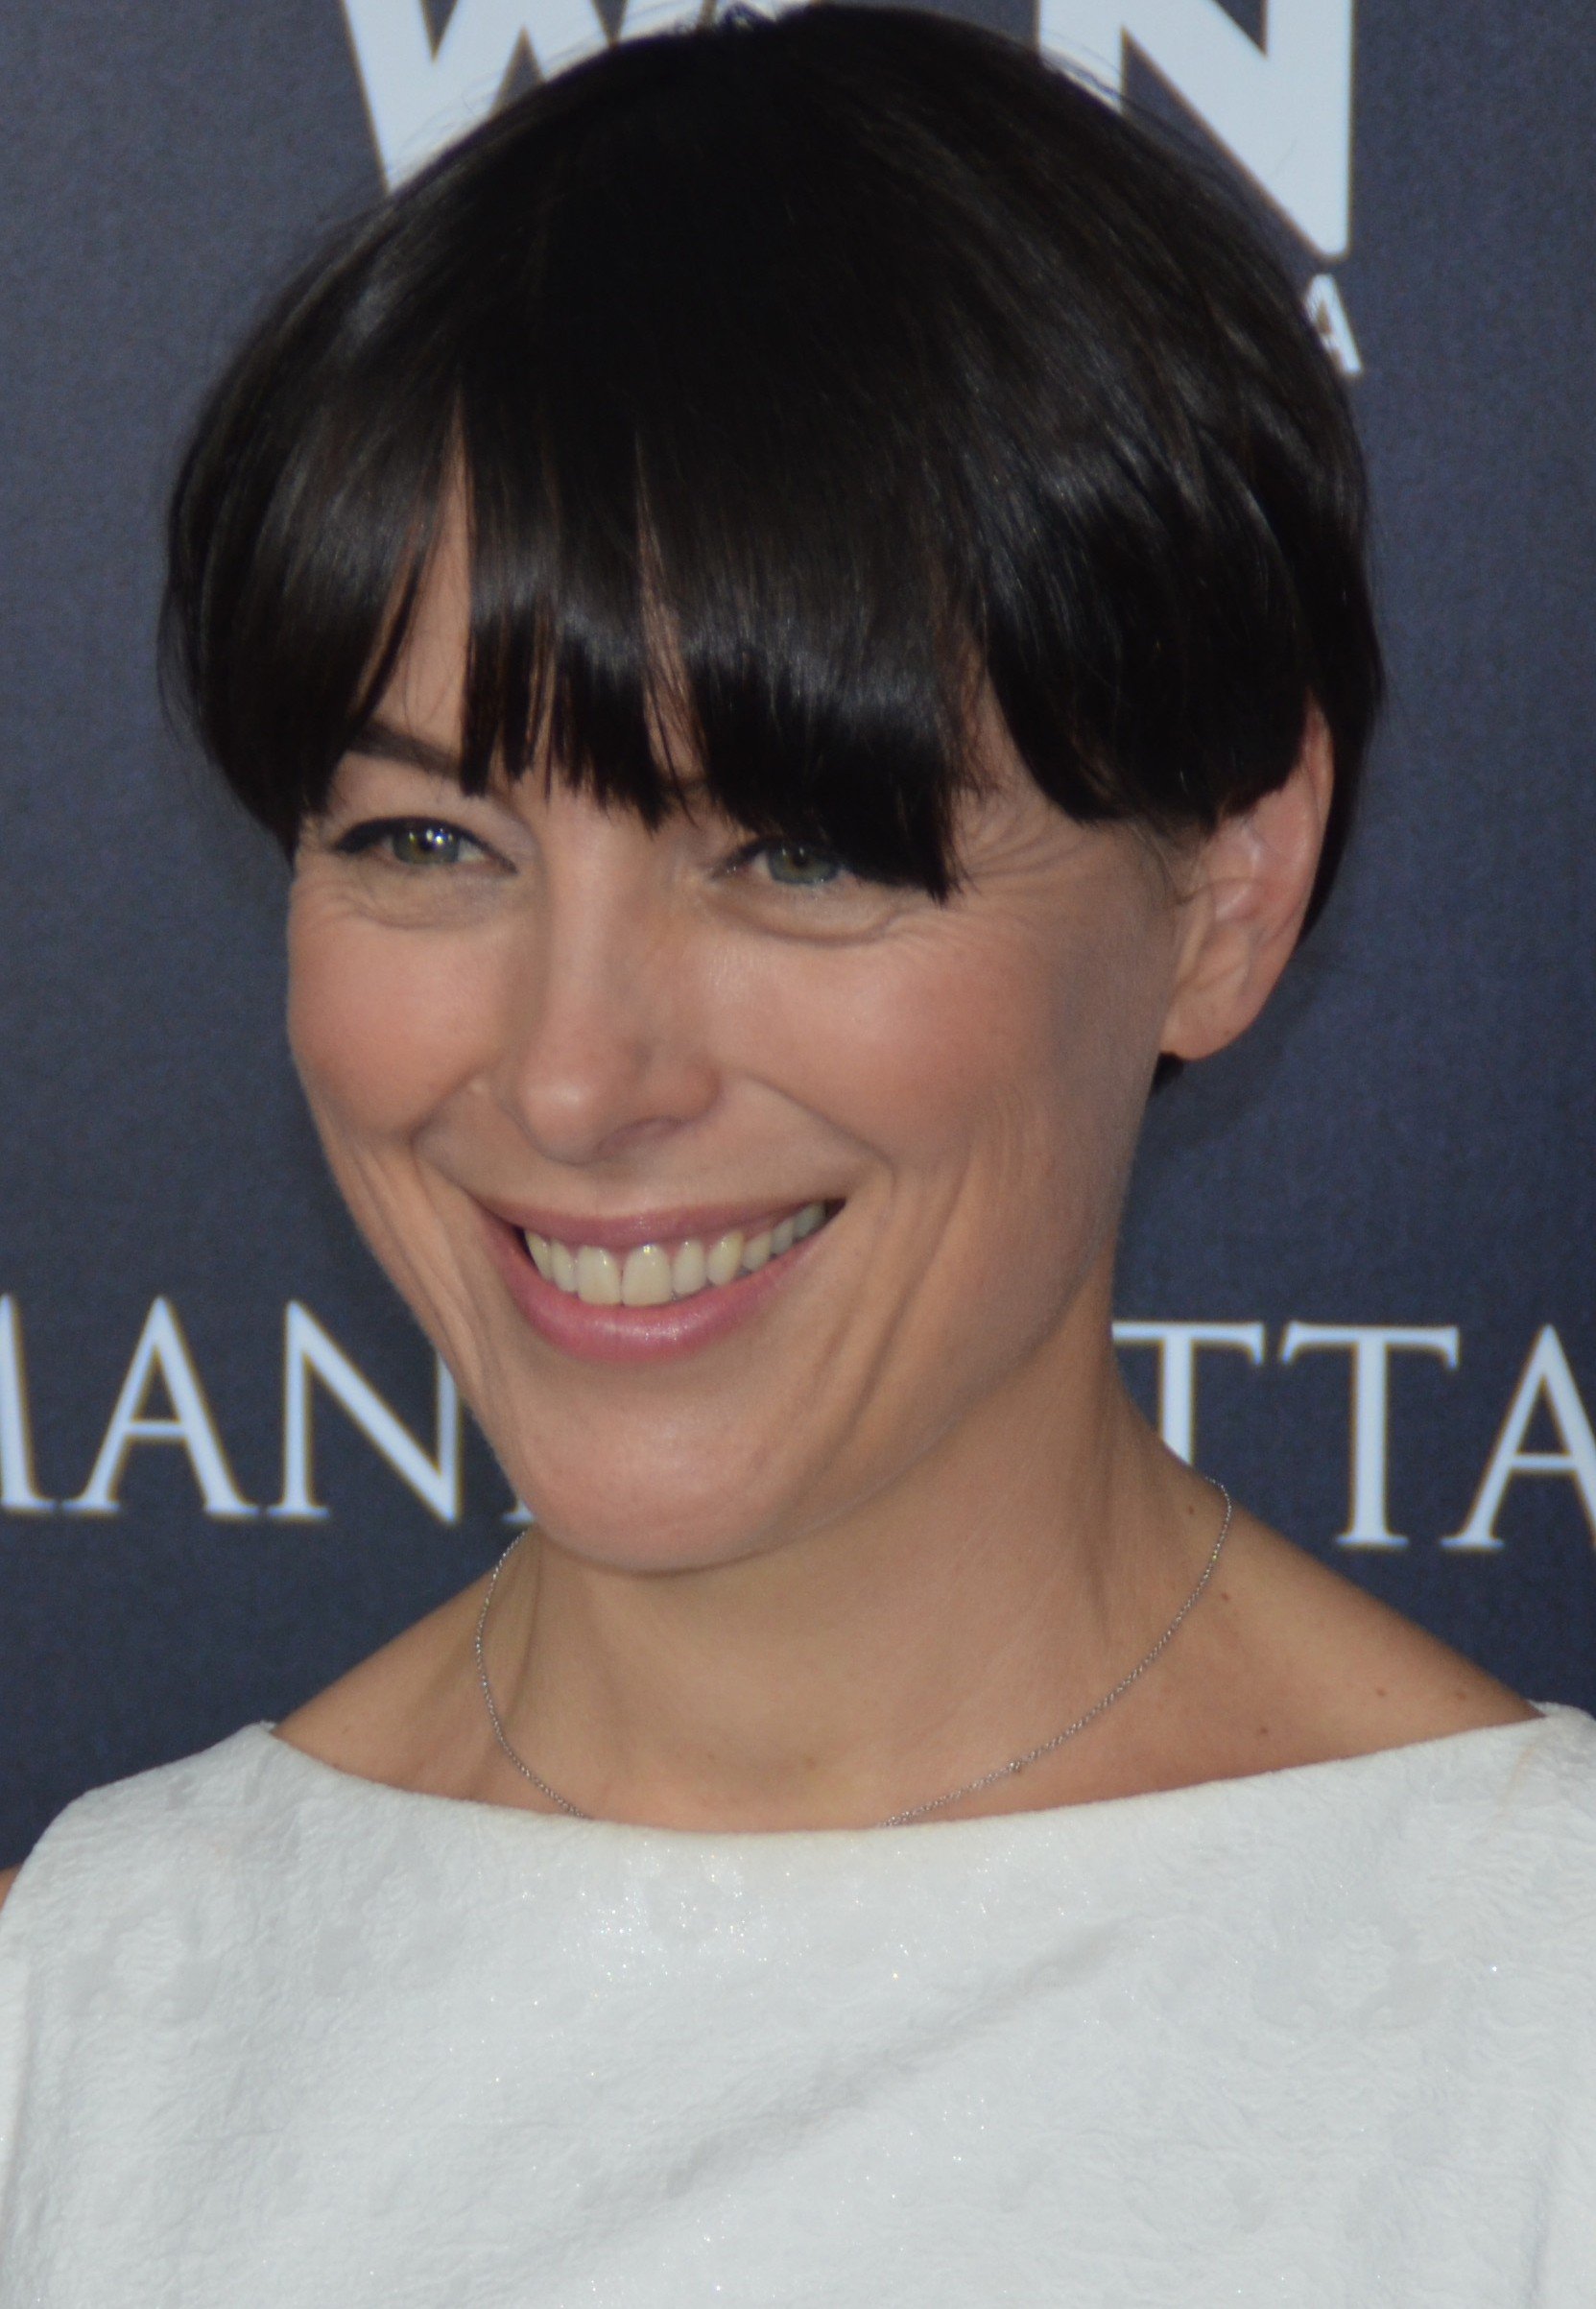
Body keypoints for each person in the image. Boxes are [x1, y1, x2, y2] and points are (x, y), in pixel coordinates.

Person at [3, 7, 1593, 2301]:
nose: (572, 1080)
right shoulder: (98, 2007)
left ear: (1225, 895)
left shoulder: (1525, 2030)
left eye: (797, 854)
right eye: (431, 839)